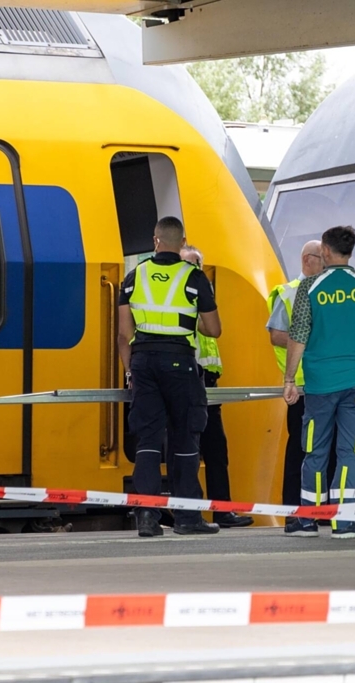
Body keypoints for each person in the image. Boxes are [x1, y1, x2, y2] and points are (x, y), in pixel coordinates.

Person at [282, 226, 355, 539]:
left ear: (325, 252)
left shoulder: (311, 288)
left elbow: (298, 334)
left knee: (314, 449)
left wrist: (289, 378)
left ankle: (308, 521)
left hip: (320, 383)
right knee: (350, 451)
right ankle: (344, 521)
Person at [118, 217, 221, 538]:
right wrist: (190, 322)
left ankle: (147, 517)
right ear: (182, 242)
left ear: (155, 239)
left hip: (144, 362)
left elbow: (124, 333)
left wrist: (130, 370)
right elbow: (214, 329)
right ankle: (187, 516)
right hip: (179, 363)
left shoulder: (134, 277)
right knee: (185, 436)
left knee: (148, 440)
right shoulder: (194, 277)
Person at [180, 245, 254, 529]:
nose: (194, 269)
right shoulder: (182, 297)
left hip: (208, 382)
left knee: (216, 451)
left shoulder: (203, 294)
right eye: (188, 263)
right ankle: (191, 513)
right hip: (188, 379)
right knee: (188, 449)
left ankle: (222, 510)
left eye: (197, 264)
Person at [266, 241, 325, 512]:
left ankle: (319, 509)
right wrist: (309, 339)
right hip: (300, 388)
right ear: (307, 260)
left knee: (324, 448)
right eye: (324, 259)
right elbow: (276, 335)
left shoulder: (326, 291)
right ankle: (293, 509)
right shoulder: (288, 293)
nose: (328, 265)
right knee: (300, 449)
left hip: (325, 383)